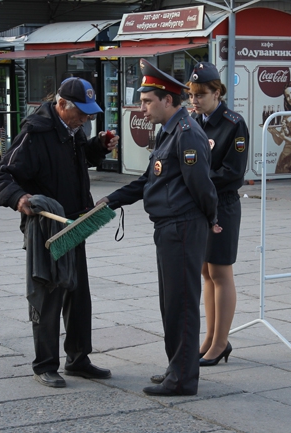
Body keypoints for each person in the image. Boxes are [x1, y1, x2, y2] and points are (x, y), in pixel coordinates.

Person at [97, 59, 219, 397]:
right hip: (169, 227)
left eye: (147, 101)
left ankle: (182, 379)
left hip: (182, 226)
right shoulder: (169, 131)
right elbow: (148, 181)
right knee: (171, 303)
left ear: (168, 100)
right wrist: (111, 200)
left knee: (181, 304)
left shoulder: (186, 132)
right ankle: (176, 369)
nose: (142, 108)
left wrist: (211, 219)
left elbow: (202, 186)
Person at [0, 77, 118, 388]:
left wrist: (97, 147)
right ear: (61, 105)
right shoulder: (35, 133)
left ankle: (78, 359)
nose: (86, 118)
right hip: (47, 228)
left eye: (89, 113)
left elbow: (74, 162)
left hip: (75, 223)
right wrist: (19, 198)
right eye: (81, 112)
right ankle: (45, 364)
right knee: (47, 296)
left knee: (78, 294)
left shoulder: (73, 129)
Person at [186, 62, 249, 367]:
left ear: (217, 93)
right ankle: (210, 337)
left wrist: (198, 181)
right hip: (200, 204)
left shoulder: (233, 123)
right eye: (192, 94)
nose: (195, 100)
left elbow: (233, 172)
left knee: (221, 273)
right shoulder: (193, 121)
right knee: (206, 272)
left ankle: (221, 342)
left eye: (201, 94)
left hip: (222, 203)